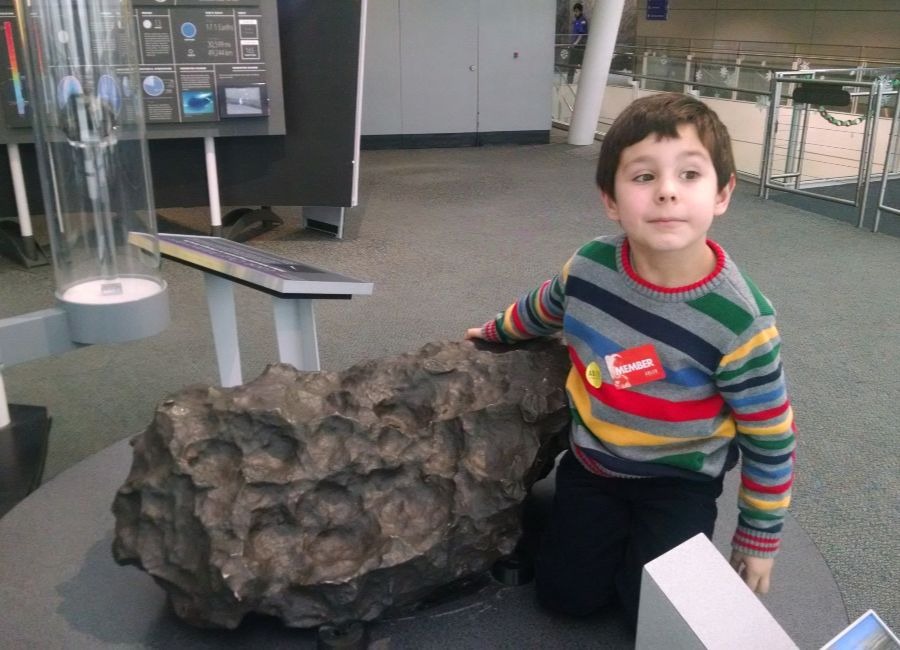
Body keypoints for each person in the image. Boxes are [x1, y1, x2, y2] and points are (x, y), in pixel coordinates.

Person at [466, 93, 796, 629]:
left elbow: (770, 436)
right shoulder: (592, 265)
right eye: (643, 177)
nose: (667, 190)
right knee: (566, 598)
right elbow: (547, 304)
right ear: (612, 201)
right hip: (595, 462)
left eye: (690, 174)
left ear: (723, 193)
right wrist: (496, 330)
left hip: (680, 477)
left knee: (651, 615)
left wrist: (758, 538)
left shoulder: (740, 320)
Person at [567, 3, 588, 84]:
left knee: (579, 64)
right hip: (574, 45)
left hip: (580, 46)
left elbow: (581, 34)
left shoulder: (583, 20)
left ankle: (583, 82)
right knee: (571, 64)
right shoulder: (576, 20)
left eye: (576, 11)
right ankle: (569, 82)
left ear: (580, 11)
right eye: (574, 11)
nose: (575, 13)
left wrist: (575, 43)